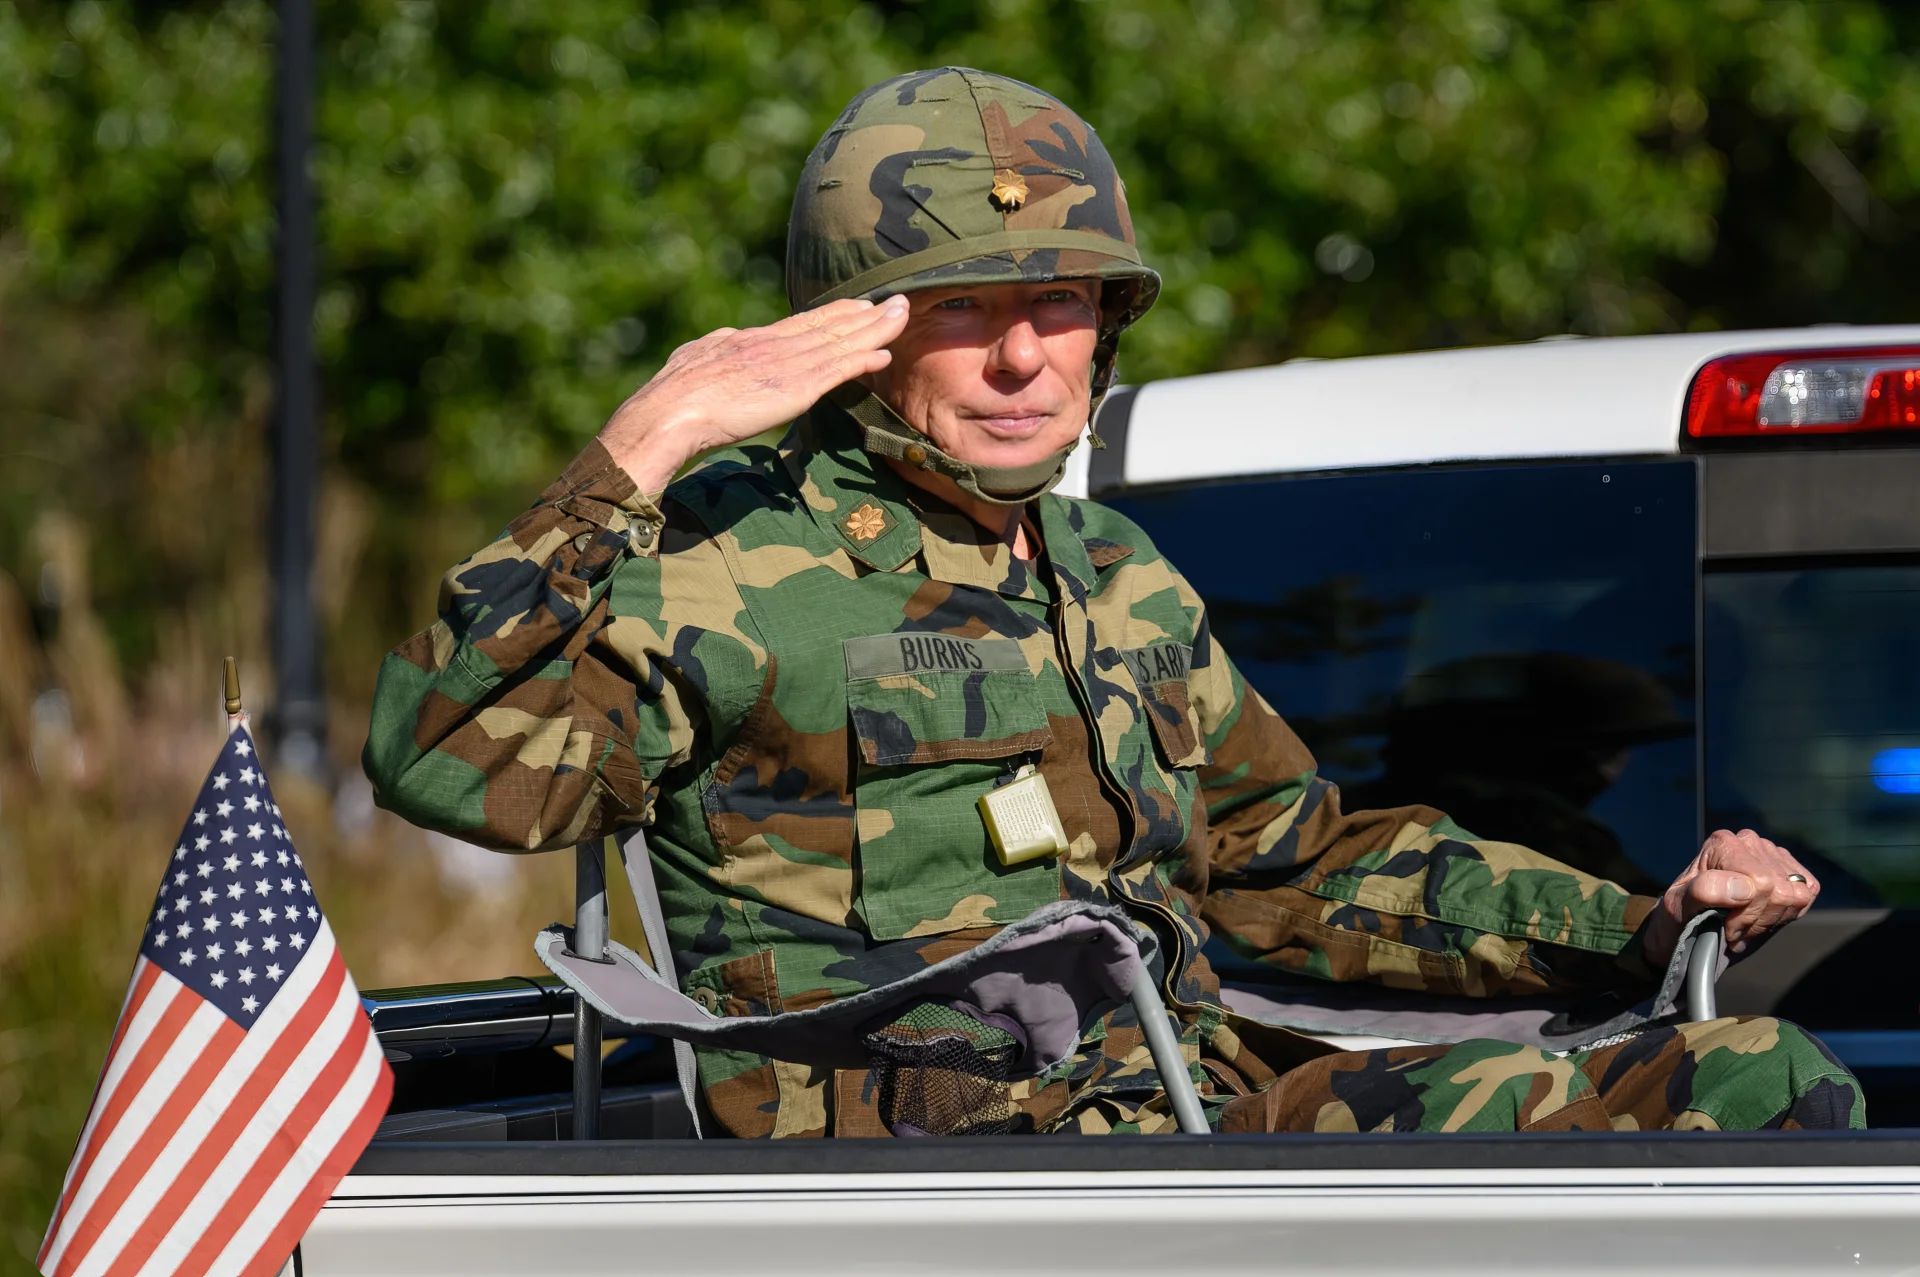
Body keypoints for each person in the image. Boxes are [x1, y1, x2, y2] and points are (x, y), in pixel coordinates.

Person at [363, 68, 1858, 1136]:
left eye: (1059, 303)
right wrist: (640, 446)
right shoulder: (724, 565)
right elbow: (446, 760)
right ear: (856, 340)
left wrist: (1642, 921)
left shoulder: (1112, 571)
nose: (1025, 360)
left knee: (1758, 1083)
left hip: (1200, 1119)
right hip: (950, 1183)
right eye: (963, 308)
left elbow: (1294, 865)